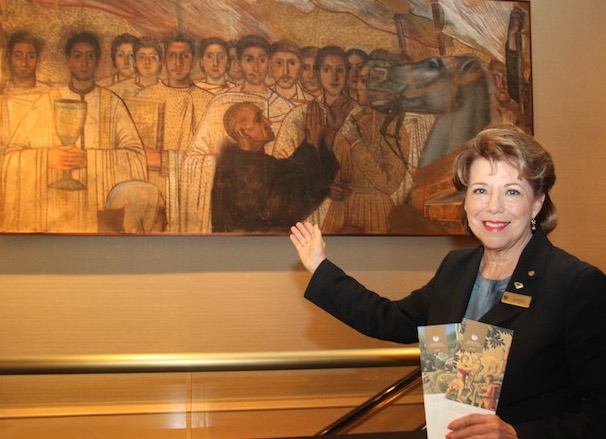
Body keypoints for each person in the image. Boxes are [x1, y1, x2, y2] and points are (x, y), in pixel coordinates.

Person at [289, 124, 606, 438]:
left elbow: (599, 417)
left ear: (536, 203)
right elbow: (388, 319)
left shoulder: (577, 285)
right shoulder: (457, 268)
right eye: (480, 190)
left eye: (512, 191)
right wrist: (319, 266)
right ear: (465, 201)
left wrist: (516, 434)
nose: (493, 206)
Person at [2, 31, 147, 233]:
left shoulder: (113, 103)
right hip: (55, 213)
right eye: (78, 56)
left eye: (90, 56)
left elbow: (137, 158)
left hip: (98, 209)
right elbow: (11, 157)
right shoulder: (47, 101)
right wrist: (46, 158)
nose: (84, 63)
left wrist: (91, 159)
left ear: (97, 61)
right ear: (69, 60)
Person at [180, 34, 293, 233]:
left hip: (274, 206)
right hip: (232, 207)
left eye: (262, 59)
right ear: (239, 63)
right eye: (249, 59)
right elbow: (194, 157)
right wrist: (224, 163)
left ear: (269, 62)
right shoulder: (222, 103)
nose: (256, 67)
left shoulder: (284, 107)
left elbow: (293, 163)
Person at [211, 100, 338, 233]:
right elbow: (286, 207)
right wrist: (311, 141)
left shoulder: (257, 162)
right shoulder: (239, 169)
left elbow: (292, 173)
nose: (268, 122)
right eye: (258, 119)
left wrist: (330, 132)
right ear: (243, 133)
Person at [135, 33, 213, 231]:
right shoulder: (145, 97)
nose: (178, 63)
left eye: (185, 56)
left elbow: (214, 157)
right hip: (155, 188)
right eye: (172, 56)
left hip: (192, 193)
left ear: (193, 60)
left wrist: (167, 160)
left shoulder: (209, 102)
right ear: (164, 59)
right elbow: (135, 150)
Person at [268, 39, 313, 104]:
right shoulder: (262, 98)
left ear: (300, 68)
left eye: (292, 63)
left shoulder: (312, 103)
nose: (285, 71)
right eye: (279, 63)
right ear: (270, 66)